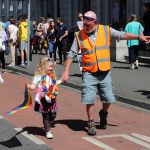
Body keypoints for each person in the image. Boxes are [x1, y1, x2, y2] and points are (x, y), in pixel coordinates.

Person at [60, 11, 150, 136]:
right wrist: (66, 71)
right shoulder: (79, 35)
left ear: (94, 23)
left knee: (108, 98)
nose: (85, 26)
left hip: (104, 72)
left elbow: (122, 35)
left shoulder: (106, 30)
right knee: (89, 99)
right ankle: (91, 123)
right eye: (84, 23)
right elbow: (71, 54)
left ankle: (103, 113)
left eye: (88, 23)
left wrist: (138, 37)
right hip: (89, 73)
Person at [27, 57, 62, 139]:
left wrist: (62, 80)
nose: (51, 68)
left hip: (51, 98)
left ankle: (47, 125)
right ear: (43, 66)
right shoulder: (38, 76)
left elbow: (54, 84)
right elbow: (34, 86)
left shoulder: (51, 76)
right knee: (45, 116)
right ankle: (48, 131)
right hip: (43, 99)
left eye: (52, 66)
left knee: (53, 115)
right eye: (49, 66)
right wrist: (29, 86)